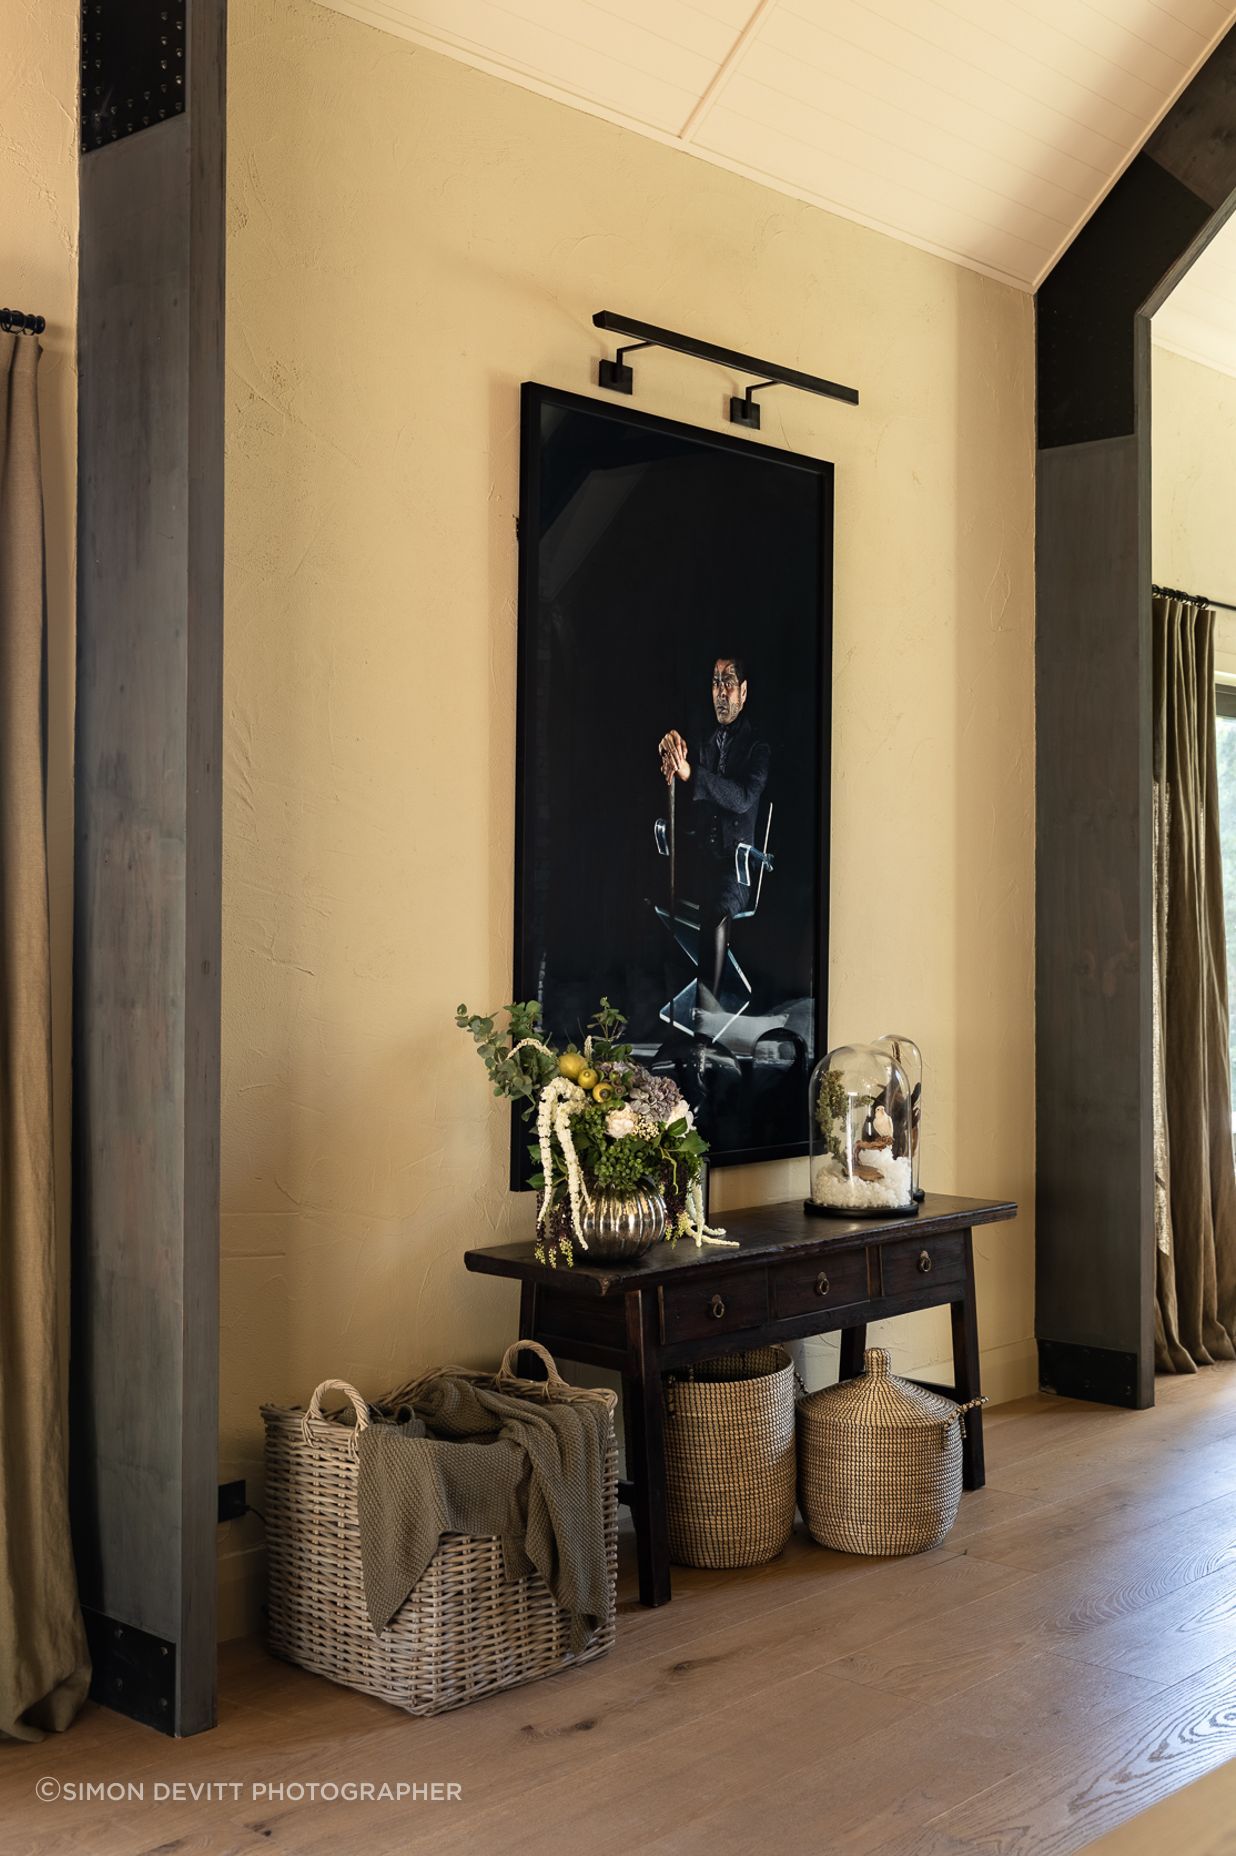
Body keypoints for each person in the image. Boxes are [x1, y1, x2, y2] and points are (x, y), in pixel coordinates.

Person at [658, 656, 771, 1006]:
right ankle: (663, 1012)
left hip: (736, 871)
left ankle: (706, 1016)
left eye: (729, 682)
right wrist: (672, 751)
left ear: (744, 692)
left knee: (717, 911)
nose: (720, 692)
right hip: (701, 860)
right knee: (654, 897)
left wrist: (693, 774)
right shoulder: (705, 740)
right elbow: (684, 769)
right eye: (715, 682)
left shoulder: (758, 749)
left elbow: (740, 799)